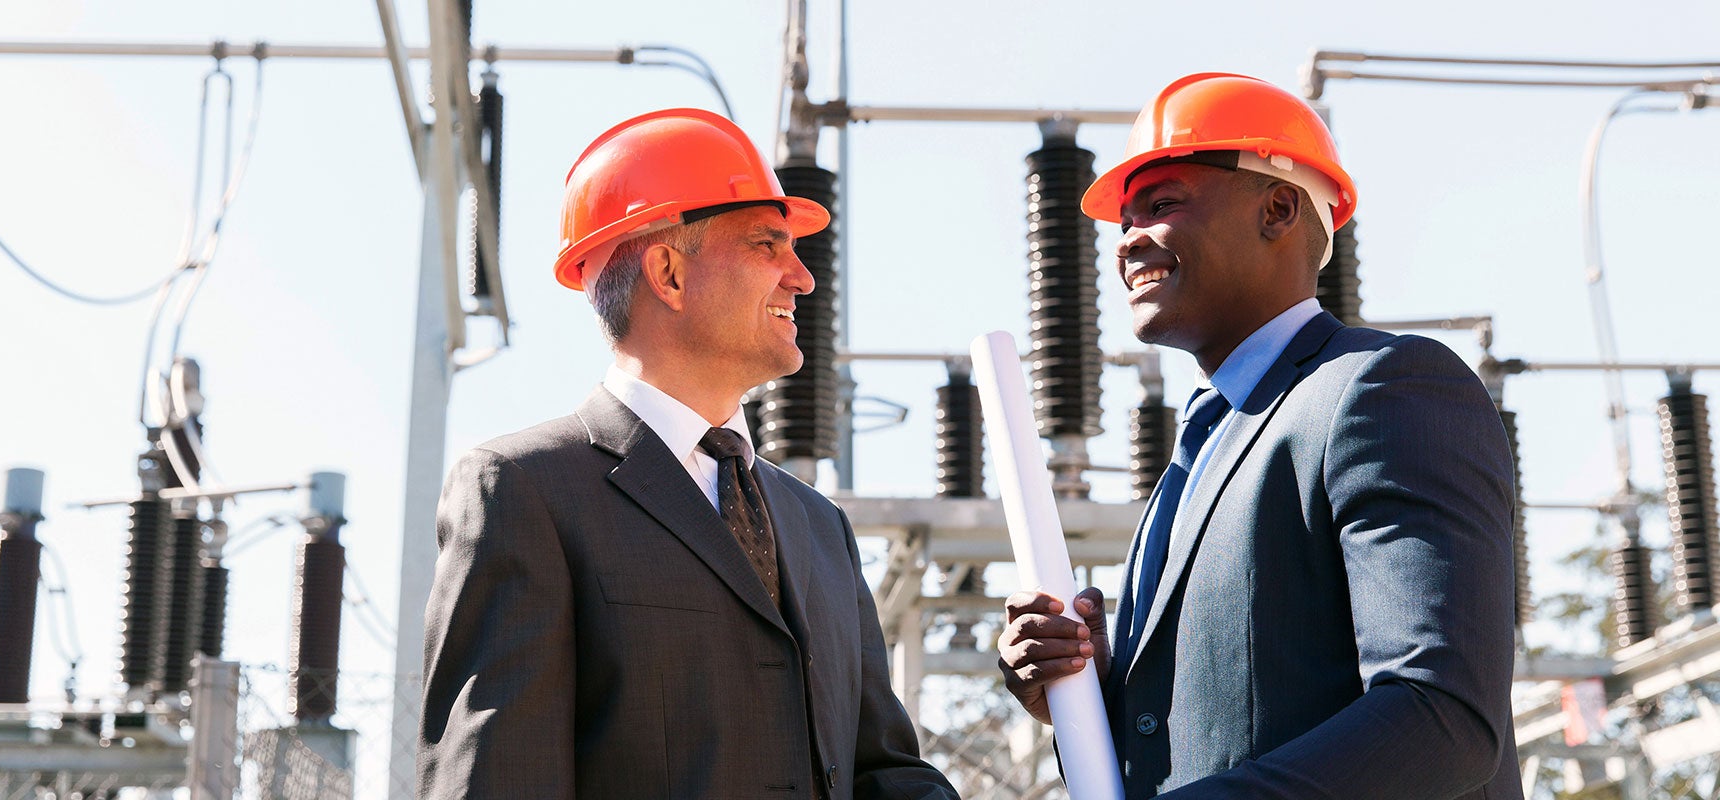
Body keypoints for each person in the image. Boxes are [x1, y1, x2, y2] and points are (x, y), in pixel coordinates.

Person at [996, 73, 1522, 799]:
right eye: (1124, 222)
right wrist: (1088, 698)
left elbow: (1442, 718)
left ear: (1278, 209)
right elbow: (1206, 746)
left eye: (1163, 204)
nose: (1128, 242)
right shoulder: (1206, 448)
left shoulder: (1384, 388)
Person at [419, 108, 958, 800]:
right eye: (769, 245)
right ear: (668, 273)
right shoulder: (525, 492)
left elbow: (880, 773)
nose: (803, 278)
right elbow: (497, 781)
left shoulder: (820, 528)